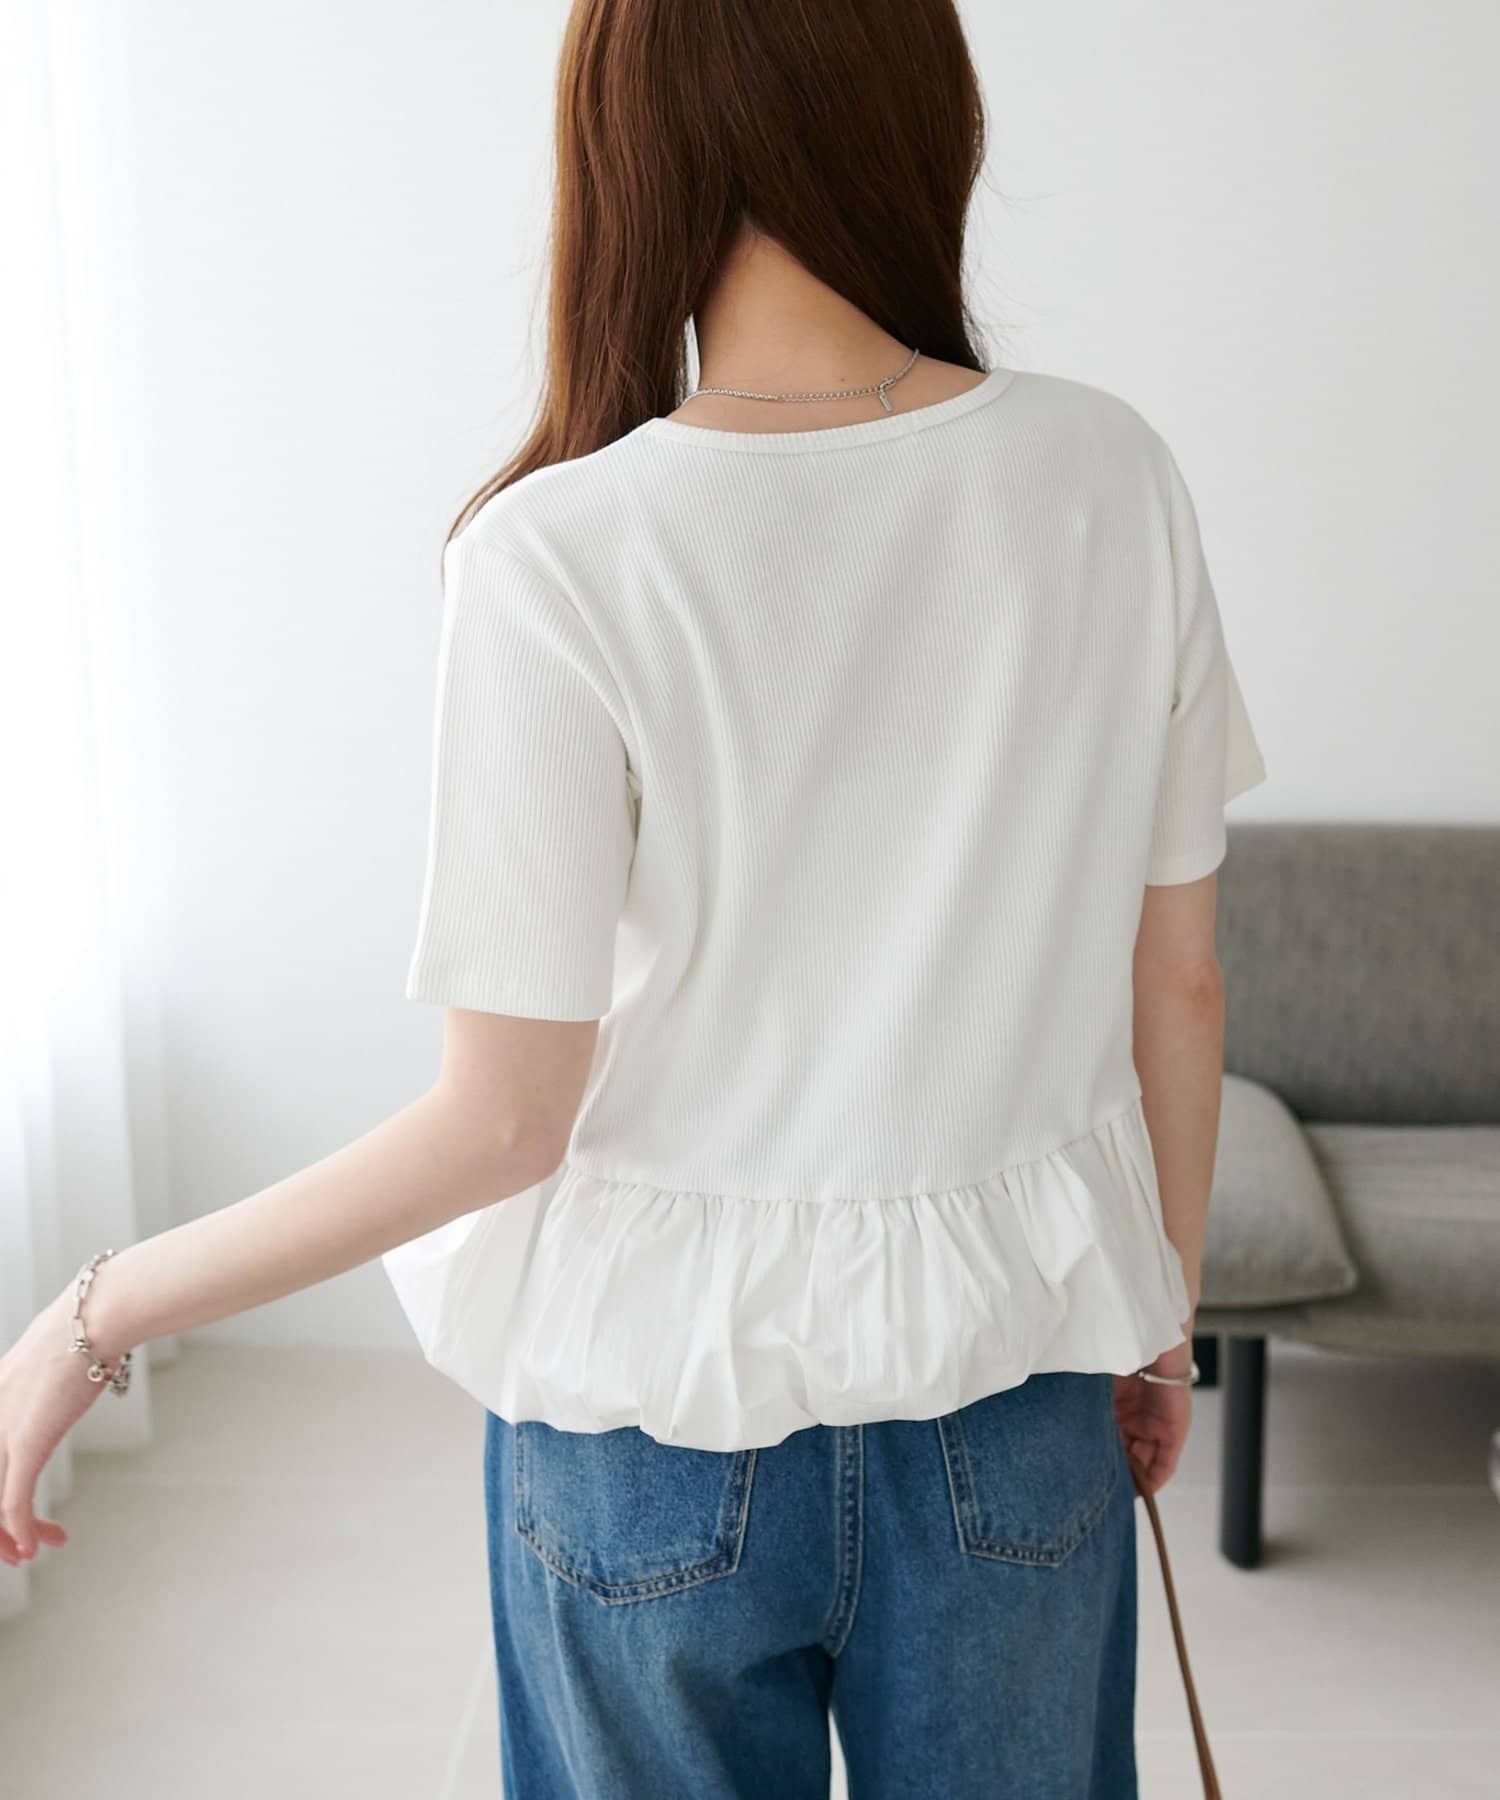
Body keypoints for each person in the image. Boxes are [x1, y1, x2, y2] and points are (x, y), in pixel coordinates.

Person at [0, 0, 1267, 1793]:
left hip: (646, 1428)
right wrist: (1154, 1316)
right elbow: (1181, 981)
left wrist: (99, 1306)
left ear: (626, 148)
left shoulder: (556, 552)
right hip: (1013, 1394)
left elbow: (504, 1123)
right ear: (932, 121)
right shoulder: (1106, 474)